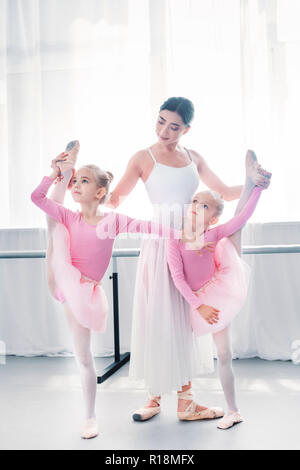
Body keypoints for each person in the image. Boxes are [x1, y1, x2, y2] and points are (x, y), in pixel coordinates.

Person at [106, 97, 271, 421]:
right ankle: (153, 397)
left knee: (184, 318)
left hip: (193, 241)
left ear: (187, 129)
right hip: (160, 242)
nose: (165, 130)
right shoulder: (143, 156)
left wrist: (254, 184)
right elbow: (114, 199)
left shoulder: (194, 158)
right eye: (161, 121)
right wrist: (85, 185)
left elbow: (223, 192)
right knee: (158, 316)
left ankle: (186, 402)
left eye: (174, 126)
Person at [31, 153, 175, 439]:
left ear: (99, 192)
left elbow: (147, 227)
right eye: (75, 181)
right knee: (53, 223)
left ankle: (89, 416)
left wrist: (180, 234)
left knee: (85, 356)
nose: (77, 185)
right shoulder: (68, 216)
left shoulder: (112, 221)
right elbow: (37, 197)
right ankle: (89, 416)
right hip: (65, 279)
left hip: (87, 290)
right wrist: (52, 174)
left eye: (82, 180)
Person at [167, 151, 271, 428]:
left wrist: (258, 192)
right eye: (194, 201)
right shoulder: (174, 239)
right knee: (184, 349)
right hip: (198, 301)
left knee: (224, 355)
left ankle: (233, 410)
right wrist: (198, 305)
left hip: (219, 291)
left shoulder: (213, 234)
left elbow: (242, 217)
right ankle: (163, 397)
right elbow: (178, 278)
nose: (194, 206)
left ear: (212, 219)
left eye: (203, 206)